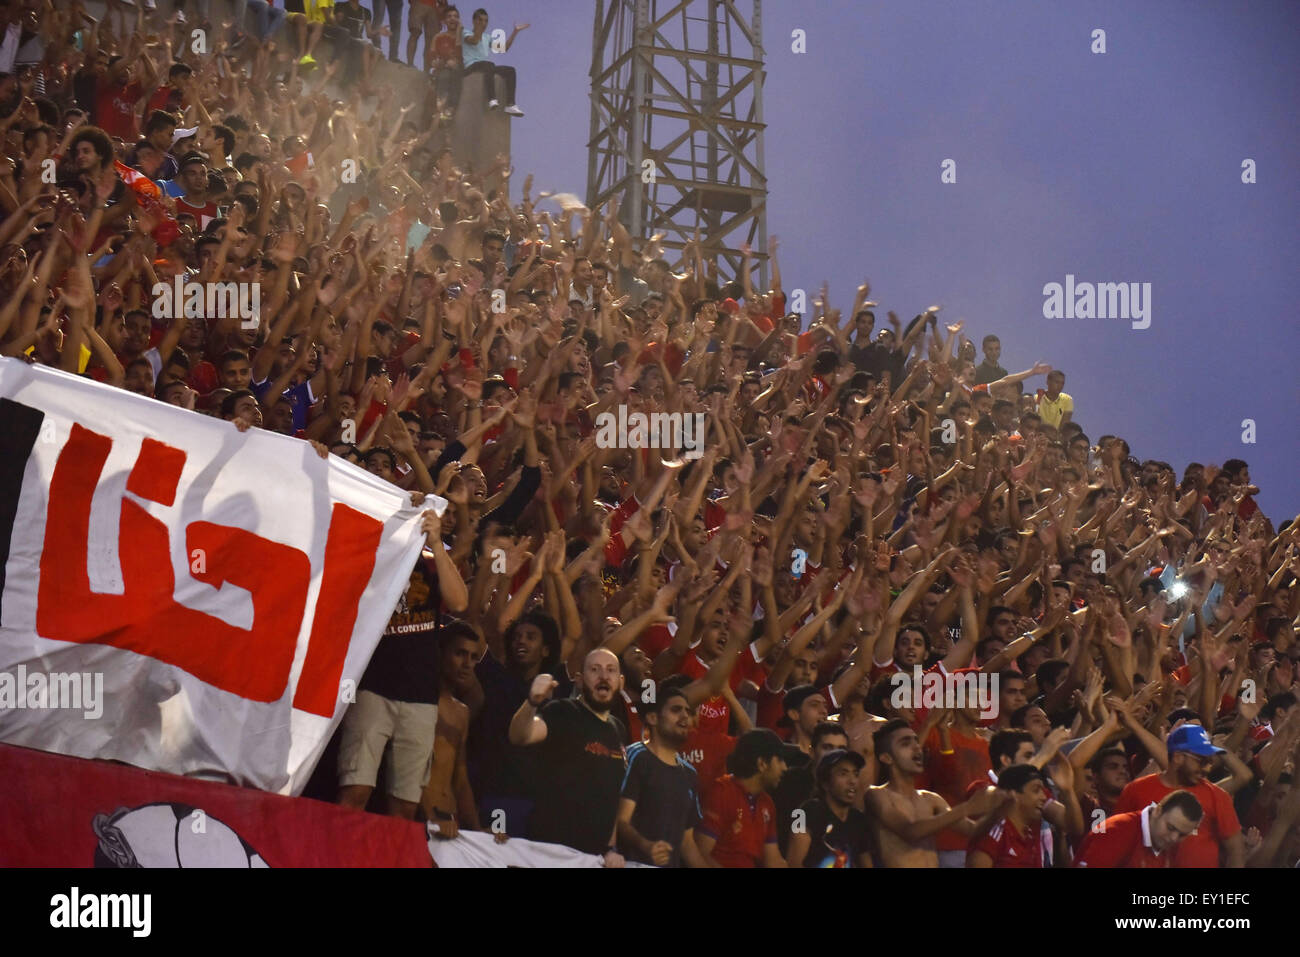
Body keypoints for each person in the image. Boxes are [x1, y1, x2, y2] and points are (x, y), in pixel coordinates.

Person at [508, 648, 628, 865]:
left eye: (610, 671)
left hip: (593, 859)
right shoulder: (562, 712)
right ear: (580, 681)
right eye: (595, 670)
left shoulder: (618, 729)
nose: (603, 677)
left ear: (620, 682)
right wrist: (532, 703)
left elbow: (612, 796)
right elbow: (520, 736)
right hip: (550, 854)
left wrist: (611, 848)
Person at [866, 719, 1004, 868]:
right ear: (886, 758)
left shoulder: (931, 799)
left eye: (916, 742)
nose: (917, 748)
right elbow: (910, 831)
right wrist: (968, 807)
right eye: (906, 744)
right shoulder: (876, 795)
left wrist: (1003, 807)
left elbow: (973, 829)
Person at [1112, 724, 1245, 868]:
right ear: (1177, 757)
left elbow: (1236, 850)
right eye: (1202, 761)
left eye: (1209, 762)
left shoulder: (1217, 796)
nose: (1207, 768)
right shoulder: (1136, 790)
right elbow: (1116, 840)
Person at [616, 677, 706, 867]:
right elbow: (620, 820)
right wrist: (646, 846)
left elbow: (687, 843)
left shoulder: (690, 774)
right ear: (653, 718)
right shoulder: (636, 756)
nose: (684, 717)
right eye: (676, 710)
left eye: (688, 712)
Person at [696, 729, 789, 868]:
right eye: (780, 760)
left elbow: (773, 862)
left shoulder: (767, 804)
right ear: (762, 763)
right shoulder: (722, 792)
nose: (785, 768)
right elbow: (700, 854)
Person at [786, 748, 872, 867]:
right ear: (825, 783)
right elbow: (793, 864)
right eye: (843, 774)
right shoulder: (805, 812)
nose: (852, 781)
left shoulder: (858, 820)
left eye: (856, 774)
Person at [1075, 790, 1204, 868]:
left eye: (1182, 834)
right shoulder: (1117, 831)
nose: (1173, 838)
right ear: (1158, 811)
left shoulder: (1170, 844)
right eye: (1170, 828)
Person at [461, 8, 527, 116]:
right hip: (470, 66)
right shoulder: (466, 32)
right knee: (488, 64)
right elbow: (473, 40)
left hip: (486, 67)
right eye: (480, 20)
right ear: (474, 21)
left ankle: (510, 105)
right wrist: (478, 29)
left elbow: (504, 48)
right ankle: (491, 98)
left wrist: (515, 32)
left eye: (486, 21)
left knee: (510, 70)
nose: (484, 23)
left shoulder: (487, 37)